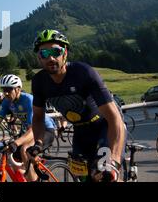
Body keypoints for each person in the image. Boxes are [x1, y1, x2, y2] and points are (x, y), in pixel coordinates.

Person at [28, 29, 126, 182]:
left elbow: (114, 118)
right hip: (80, 132)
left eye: (56, 51)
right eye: (44, 53)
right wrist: (38, 144)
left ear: (65, 53)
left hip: (104, 127)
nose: (51, 58)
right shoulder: (39, 82)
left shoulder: (84, 73)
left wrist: (113, 158)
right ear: (39, 58)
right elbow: (38, 117)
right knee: (84, 178)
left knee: (106, 175)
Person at [0, 74, 56, 182]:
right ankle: (28, 174)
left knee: (24, 149)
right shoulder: (7, 102)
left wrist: (16, 143)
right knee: (12, 155)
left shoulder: (28, 100)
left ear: (18, 89)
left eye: (9, 89)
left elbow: (33, 130)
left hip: (45, 130)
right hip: (31, 131)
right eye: (4, 90)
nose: (6, 93)